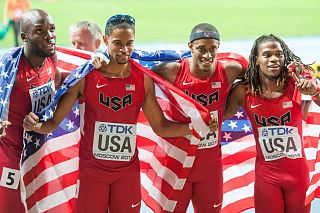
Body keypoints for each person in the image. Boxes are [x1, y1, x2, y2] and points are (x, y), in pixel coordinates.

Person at [23, 14, 217, 213]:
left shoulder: (142, 79)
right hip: (93, 173)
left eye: (129, 43)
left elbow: (161, 127)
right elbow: (55, 121)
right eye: (117, 43)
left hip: (127, 174)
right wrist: (35, 125)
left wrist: (194, 127)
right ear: (106, 41)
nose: (125, 50)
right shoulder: (87, 76)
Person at [149, 23, 247, 212]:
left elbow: (262, 77)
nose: (208, 55)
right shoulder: (172, 71)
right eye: (201, 49)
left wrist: (227, 111)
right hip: (177, 163)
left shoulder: (229, 70)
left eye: (213, 49)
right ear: (190, 47)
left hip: (209, 167)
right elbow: (138, 76)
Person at [224, 34, 320, 213]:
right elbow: (218, 116)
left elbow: (316, 94)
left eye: (279, 54)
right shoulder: (244, 91)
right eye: (267, 55)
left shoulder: (298, 82)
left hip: (298, 176)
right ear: (256, 60)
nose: (274, 59)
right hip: (267, 178)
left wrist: (314, 92)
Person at [0, 9, 59, 212]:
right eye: (40, 31)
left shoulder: (51, 58)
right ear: (24, 36)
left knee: (37, 206)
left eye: (51, 29)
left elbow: (59, 82)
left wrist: (90, 70)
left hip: (37, 152)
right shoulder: (9, 72)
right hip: (10, 157)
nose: (49, 35)